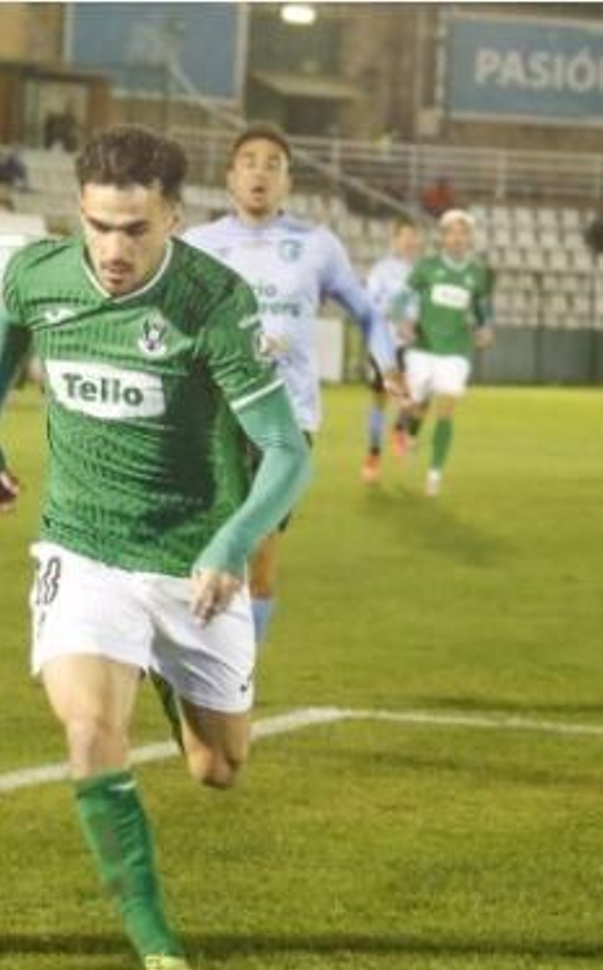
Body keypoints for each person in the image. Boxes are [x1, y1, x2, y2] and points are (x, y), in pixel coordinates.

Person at [0, 125, 312, 970]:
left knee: (217, 766)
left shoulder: (211, 301)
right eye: (98, 227)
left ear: (174, 217)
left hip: (192, 561)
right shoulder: (44, 272)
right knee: (88, 734)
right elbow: (10, 315)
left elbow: (285, 450)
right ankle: (165, 961)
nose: (113, 251)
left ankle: (167, 672)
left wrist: (231, 544)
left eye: (135, 230)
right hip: (81, 548)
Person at [183, 124, 400, 643]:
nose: (260, 171)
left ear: (288, 182)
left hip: (286, 421)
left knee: (258, 555)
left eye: (273, 164)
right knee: (196, 547)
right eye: (249, 161)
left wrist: (386, 363)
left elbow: (367, 312)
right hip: (212, 415)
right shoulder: (197, 245)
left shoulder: (316, 245)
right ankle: (185, 664)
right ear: (231, 177)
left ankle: (240, 679)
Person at [391, 209, 494, 498]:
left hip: (456, 351)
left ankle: (434, 474)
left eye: (462, 233)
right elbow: (401, 298)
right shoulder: (426, 267)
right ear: (443, 236)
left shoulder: (477, 273)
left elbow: (483, 308)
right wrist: (401, 321)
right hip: (422, 348)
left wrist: (487, 329)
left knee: (446, 410)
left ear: (469, 238)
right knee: (416, 404)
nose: (457, 238)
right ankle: (410, 433)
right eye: (451, 232)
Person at [361, 217, 421, 482]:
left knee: (416, 392)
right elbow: (371, 306)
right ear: (395, 240)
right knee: (379, 403)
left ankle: (400, 428)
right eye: (404, 236)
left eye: (413, 236)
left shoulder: (423, 272)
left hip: (412, 345)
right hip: (384, 345)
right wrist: (398, 319)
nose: (409, 241)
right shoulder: (381, 271)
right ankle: (373, 454)